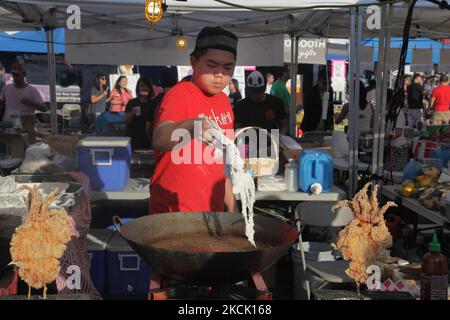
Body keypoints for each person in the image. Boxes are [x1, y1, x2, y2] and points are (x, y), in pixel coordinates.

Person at [150, 26, 238, 214]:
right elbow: (160, 137)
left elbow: (223, 163)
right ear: (193, 61)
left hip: (212, 213)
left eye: (228, 67)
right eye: (212, 65)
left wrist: (233, 210)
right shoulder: (179, 95)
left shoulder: (224, 101)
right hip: (174, 214)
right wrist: (190, 126)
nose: (220, 74)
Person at [145, 67, 178, 143]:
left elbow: (148, 129)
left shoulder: (153, 102)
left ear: (160, 82)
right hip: (179, 145)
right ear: (176, 81)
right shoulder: (183, 100)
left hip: (159, 144)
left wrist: (154, 142)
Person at [125, 77, 155, 149]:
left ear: (150, 88)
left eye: (146, 86)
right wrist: (132, 113)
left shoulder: (153, 103)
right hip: (135, 141)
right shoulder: (132, 103)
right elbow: (126, 121)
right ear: (138, 88)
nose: (144, 88)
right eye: (141, 86)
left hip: (150, 142)